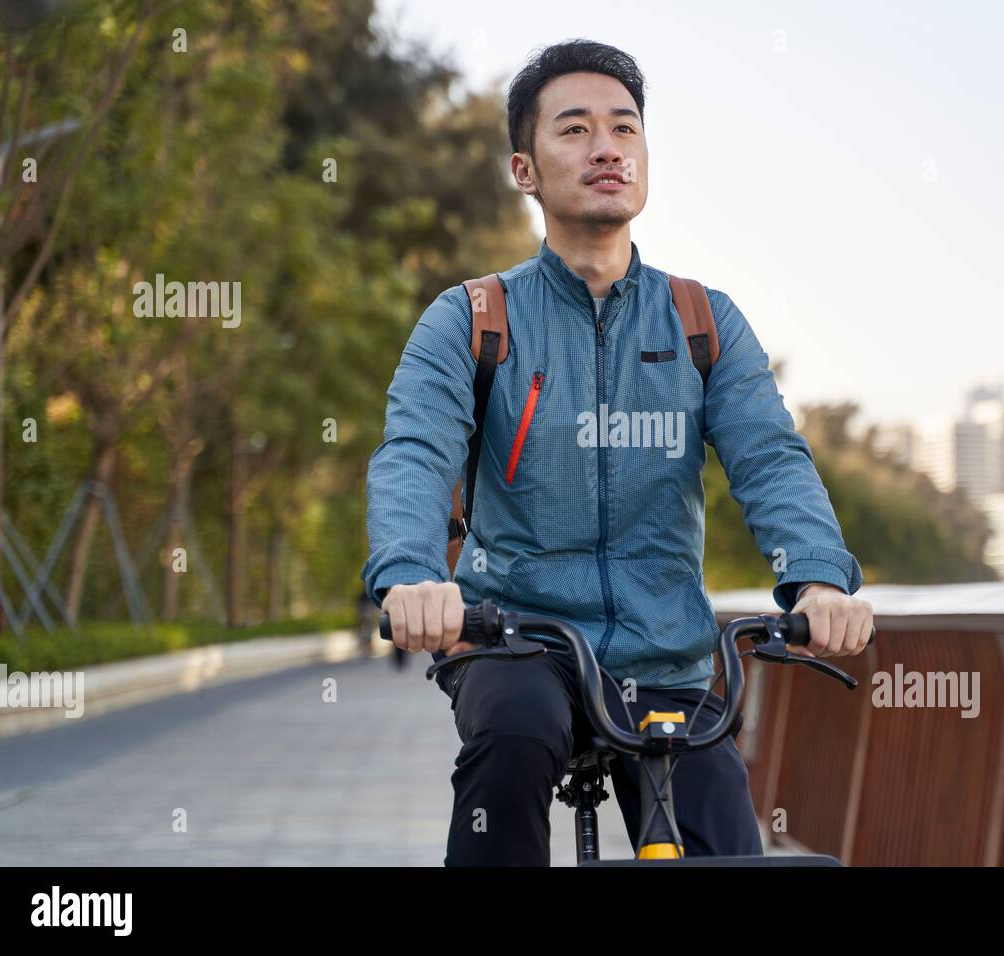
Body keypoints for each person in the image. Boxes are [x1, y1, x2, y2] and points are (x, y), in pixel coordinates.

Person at [361, 39, 873, 866]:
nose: (606, 147)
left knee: (722, 836)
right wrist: (414, 576)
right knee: (516, 736)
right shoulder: (472, 319)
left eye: (624, 129)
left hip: (666, 652)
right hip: (515, 637)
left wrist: (818, 574)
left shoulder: (704, 320)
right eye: (575, 130)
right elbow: (414, 453)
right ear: (525, 169)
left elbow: (770, 458)